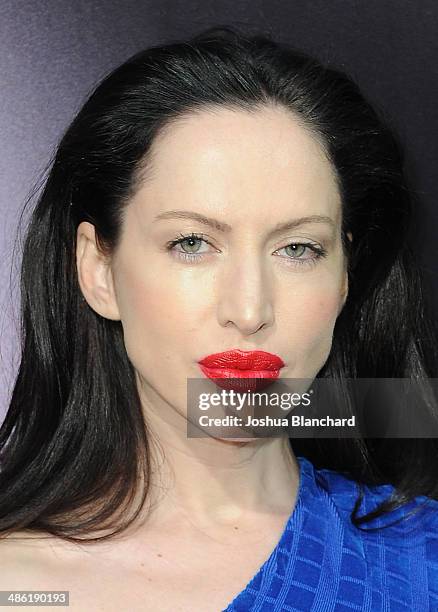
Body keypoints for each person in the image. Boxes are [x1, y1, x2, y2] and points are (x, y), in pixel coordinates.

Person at [0, 24, 437, 612]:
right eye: (192, 243)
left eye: (299, 249)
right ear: (99, 271)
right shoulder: (18, 587)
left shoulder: (425, 560)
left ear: (344, 277)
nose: (250, 311)